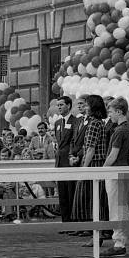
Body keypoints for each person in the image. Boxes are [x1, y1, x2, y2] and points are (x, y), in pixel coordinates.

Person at [71, 95, 108, 238]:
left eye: (87, 105)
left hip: (93, 163)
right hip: (95, 162)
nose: (85, 108)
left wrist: (84, 169)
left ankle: (95, 233)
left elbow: (90, 148)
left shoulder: (93, 123)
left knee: (90, 199)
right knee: (94, 199)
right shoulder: (99, 122)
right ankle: (95, 233)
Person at [101, 97, 129, 257]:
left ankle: (119, 242)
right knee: (121, 207)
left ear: (119, 111)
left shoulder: (119, 131)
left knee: (116, 207)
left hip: (115, 172)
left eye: (111, 111)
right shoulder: (126, 129)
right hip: (123, 171)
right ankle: (120, 240)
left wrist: (102, 170)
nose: (110, 115)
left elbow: (112, 155)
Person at [54, 96, 78, 226]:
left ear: (68, 106)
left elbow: (74, 142)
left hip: (69, 161)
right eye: (58, 105)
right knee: (62, 195)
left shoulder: (76, 121)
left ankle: (73, 223)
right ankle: (65, 223)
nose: (59, 107)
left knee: (70, 194)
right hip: (59, 162)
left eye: (61, 105)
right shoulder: (58, 123)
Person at [69, 95, 89, 169]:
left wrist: (79, 156)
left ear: (87, 104)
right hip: (74, 159)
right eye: (78, 104)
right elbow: (73, 139)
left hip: (85, 158)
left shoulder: (92, 120)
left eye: (81, 103)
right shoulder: (77, 120)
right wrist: (71, 155)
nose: (79, 106)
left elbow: (88, 142)